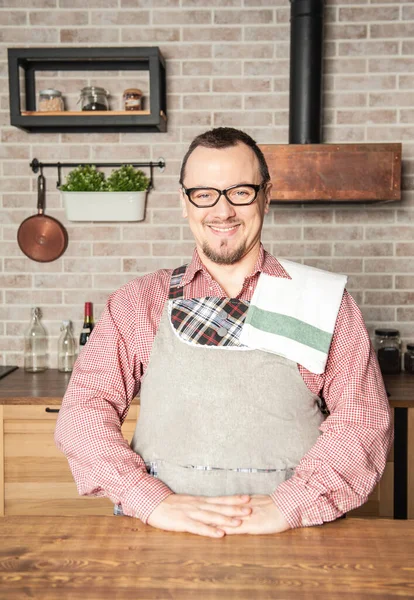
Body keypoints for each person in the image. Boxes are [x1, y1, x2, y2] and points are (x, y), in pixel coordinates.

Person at [55, 127, 393, 538]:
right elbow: (83, 413)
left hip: (296, 539)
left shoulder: (323, 301)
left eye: (240, 192)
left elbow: (363, 421)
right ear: (184, 202)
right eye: (204, 193)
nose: (222, 210)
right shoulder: (138, 303)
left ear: (266, 195)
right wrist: (149, 498)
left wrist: (291, 505)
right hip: (160, 539)